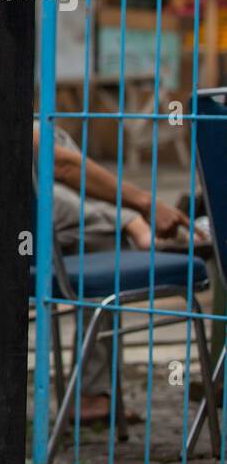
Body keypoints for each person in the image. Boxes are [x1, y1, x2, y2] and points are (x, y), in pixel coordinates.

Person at [34, 123, 207, 422]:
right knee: (40, 147)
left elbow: (61, 165)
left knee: (48, 139)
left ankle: (92, 395)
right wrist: (140, 207)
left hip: (34, 230)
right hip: (13, 233)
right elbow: (60, 165)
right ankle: (129, 224)